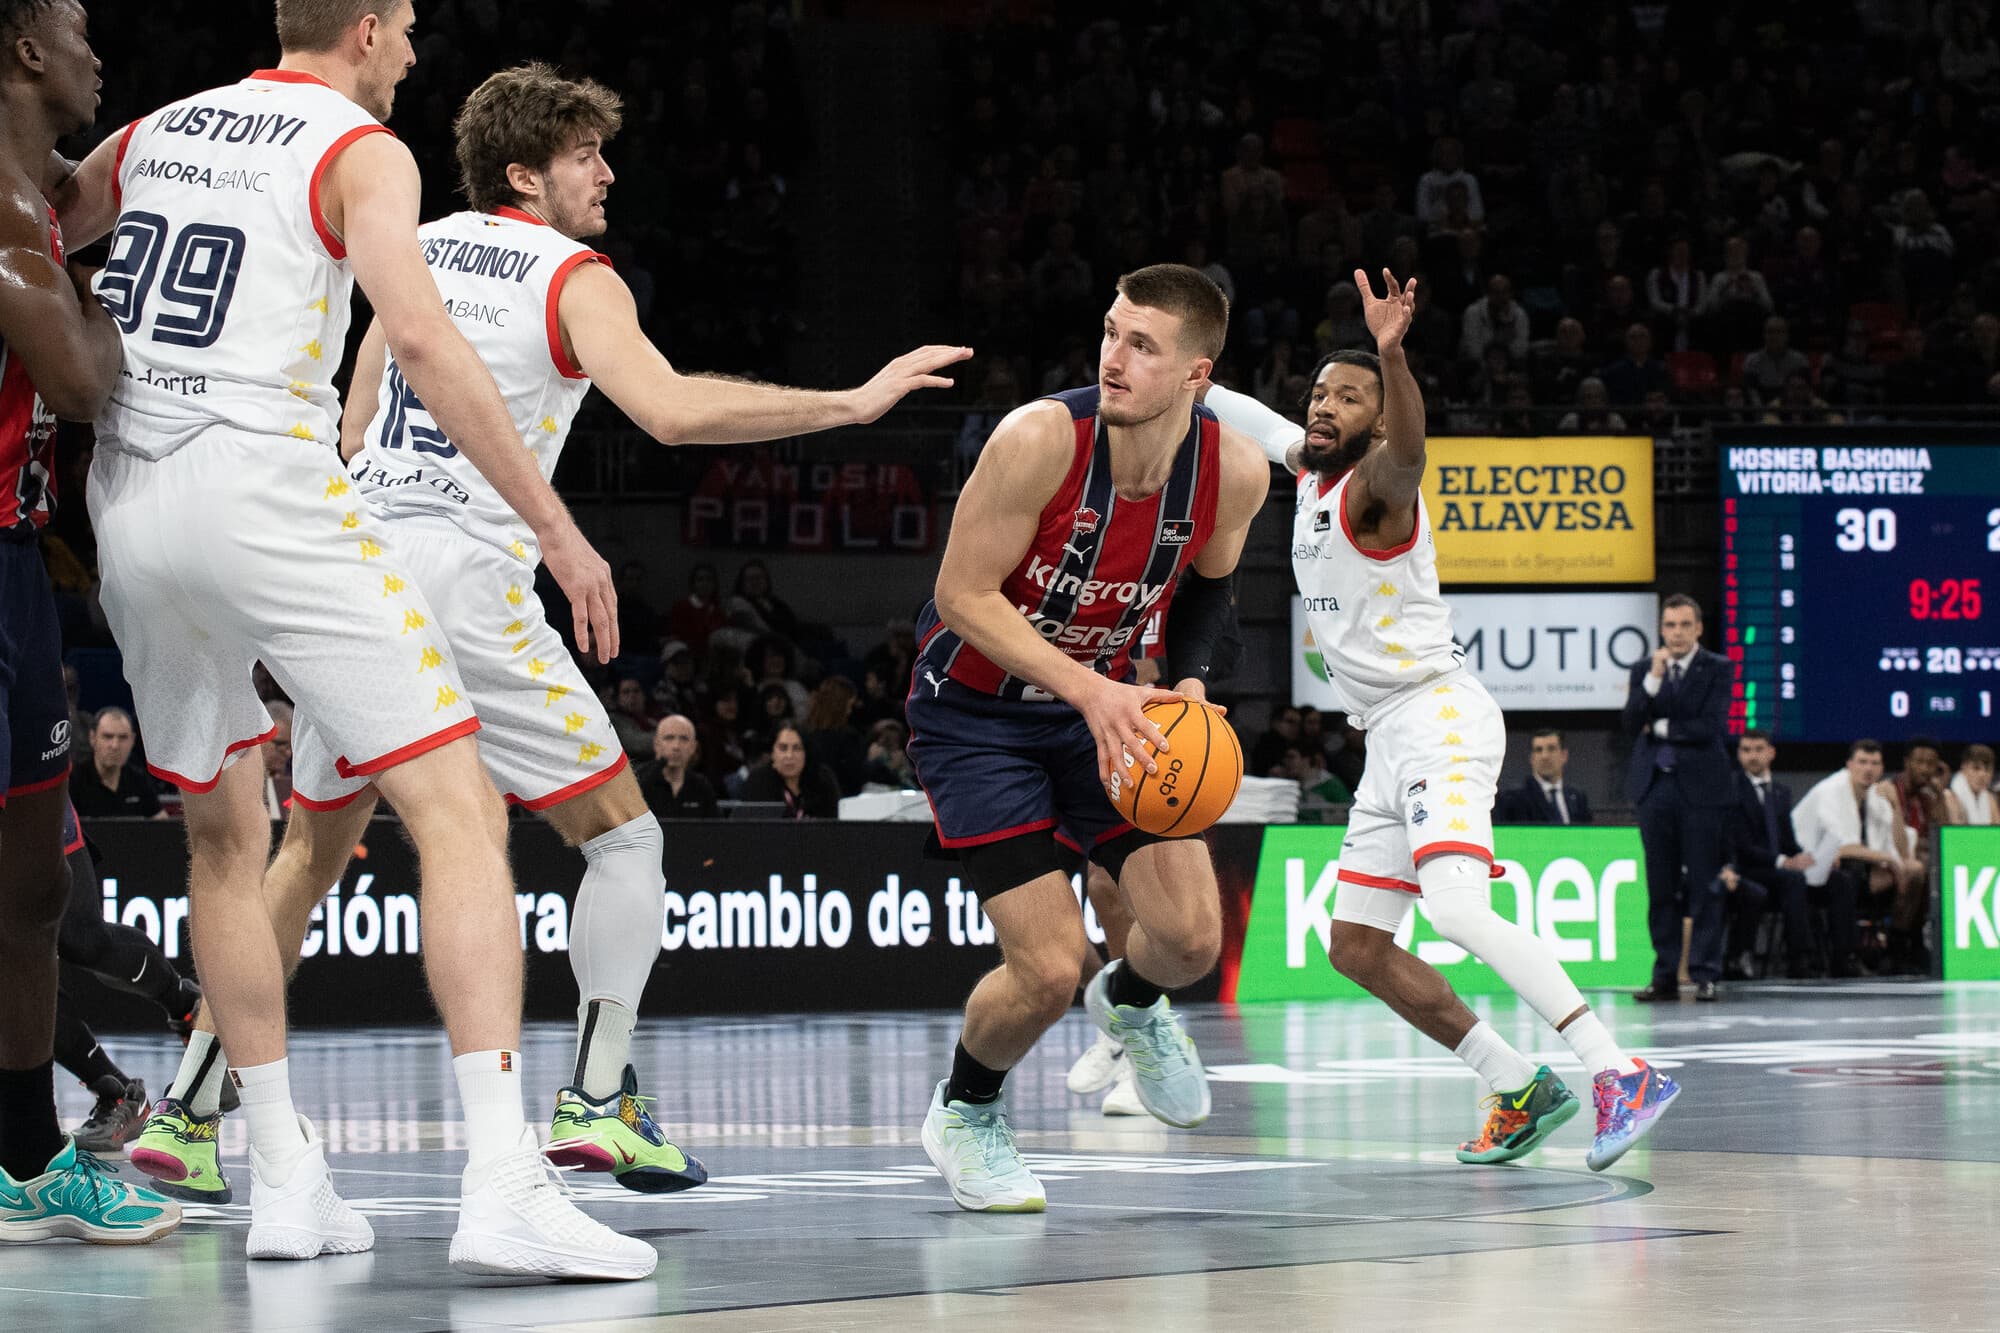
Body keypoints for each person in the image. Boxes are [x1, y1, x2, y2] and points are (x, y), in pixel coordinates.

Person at [122, 57, 966, 1235]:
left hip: (355, 564)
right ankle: (595, 1096)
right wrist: (850, 401)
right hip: (468, 576)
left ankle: (186, 1113)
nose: (607, 174)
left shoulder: (401, 247)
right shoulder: (573, 274)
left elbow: (353, 420)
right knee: (623, 840)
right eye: (585, 155)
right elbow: (670, 412)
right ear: (526, 172)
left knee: (306, 861)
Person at [59, 6, 643, 1274]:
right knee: (455, 809)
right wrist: (555, 526)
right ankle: (502, 1178)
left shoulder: (162, 126)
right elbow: (420, 342)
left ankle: (283, 1182)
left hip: (127, 499)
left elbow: (46, 210)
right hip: (262, 484)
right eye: (412, 30)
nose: (419, 55)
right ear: (369, 31)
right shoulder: (360, 147)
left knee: (226, 839)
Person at [1204, 269, 1679, 1174]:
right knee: (1354, 944)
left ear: (1377, 420)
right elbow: (1241, 413)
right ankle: (1516, 1082)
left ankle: (1618, 1070)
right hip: (1387, 737)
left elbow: (1413, 447)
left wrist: (1392, 355)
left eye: (1351, 397)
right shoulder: (1306, 468)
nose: (1325, 405)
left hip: (1440, 717)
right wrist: (1181, 369)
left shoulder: (1381, 484)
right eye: (1320, 392)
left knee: (1458, 909)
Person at [910, 264, 1267, 1212]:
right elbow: (961, 595)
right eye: (1111, 331)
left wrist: (1187, 686)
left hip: (1103, 710)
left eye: (1143, 344)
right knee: (1047, 967)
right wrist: (1093, 692)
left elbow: (1208, 592)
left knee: (1191, 938)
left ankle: (1135, 1003)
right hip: (977, 716)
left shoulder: (1233, 469)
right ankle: (966, 1110)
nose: (1114, 356)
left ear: (1197, 374)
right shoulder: (1037, 439)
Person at [0, 0, 179, 1245]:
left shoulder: (43, 190)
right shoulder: (11, 219)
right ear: (22, 49)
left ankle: (23, 1159)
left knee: (30, 899)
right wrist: (107, 309)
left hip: (17, 568)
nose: (95, 48)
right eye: (73, 26)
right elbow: (77, 378)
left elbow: (109, 173)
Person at [1623, 595, 1734, 1001]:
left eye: (1685, 625)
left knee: (1705, 884)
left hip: (1701, 790)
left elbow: (1709, 725)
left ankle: (1705, 973)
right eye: (1670, 625)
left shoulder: (1718, 669)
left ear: (1699, 628)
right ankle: (1665, 975)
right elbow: (1632, 722)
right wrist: (1652, 681)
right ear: (1661, 629)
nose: (1677, 633)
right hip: (1655, 789)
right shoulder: (1644, 670)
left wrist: (1662, 726)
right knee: (1661, 886)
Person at [1722, 729, 1858, 979]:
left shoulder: (1780, 792)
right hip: (1750, 868)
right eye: (1746, 750)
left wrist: (1813, 858)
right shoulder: (1732, 790)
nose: (1752, 756)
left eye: (1758, 749)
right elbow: (1741, 845)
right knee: (1792, 879)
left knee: (1840, 881)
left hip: (1779, 868)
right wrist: (1784, 861)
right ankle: (1800, 958)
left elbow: (1787, 841)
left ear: (1771, 753)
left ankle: (1844, 957)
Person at [1792, 741, 1906, 969]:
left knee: (1908, 874)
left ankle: (1895, 950)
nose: (1868, 769)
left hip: (1845, 869)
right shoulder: (1831, 791)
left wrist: (1895, 806)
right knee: (1848, 877)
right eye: (1862, 762)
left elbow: (1899, 850)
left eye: (1874, 763)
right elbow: (1841, 847)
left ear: (1882, 768)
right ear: (1849, 764)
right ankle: (1845, 956)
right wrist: (1890, 859)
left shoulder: (1876, 796)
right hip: (1804, 864)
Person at [67, 706, 163, 818]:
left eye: (123, 737)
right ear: (93, 738)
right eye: (108, 737)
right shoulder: (74, 779)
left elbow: (161, 823)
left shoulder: (138, 779)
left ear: (132, 740)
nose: (115, 745)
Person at [738, 723, 841, 818]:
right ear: (772, 753)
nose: (789, 756)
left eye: (797, 748)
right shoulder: (757, 782)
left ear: (806, 753)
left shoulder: (822, 778)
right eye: (783, 748)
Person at [1496, 728, 1594, 825]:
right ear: (1532, 758)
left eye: (1551, 749)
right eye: (1538, 750)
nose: (1545, 756)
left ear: (1564, 755)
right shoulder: (1513, 799)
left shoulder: (1578, 798)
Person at [634, 715, 717, 820]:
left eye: (684, 739)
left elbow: (715, 832)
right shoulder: (639, 783)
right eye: (669, 738)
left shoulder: (702, 787)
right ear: (656, 745)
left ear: (693, 747)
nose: (676, 746)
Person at [1947, 744, 1997, 824]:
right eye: (1976, 768)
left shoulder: (1990, 799)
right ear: (1963, 768)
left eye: (1987, 769)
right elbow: (1955, 833)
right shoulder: (1950, 797)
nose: (1982, 774)